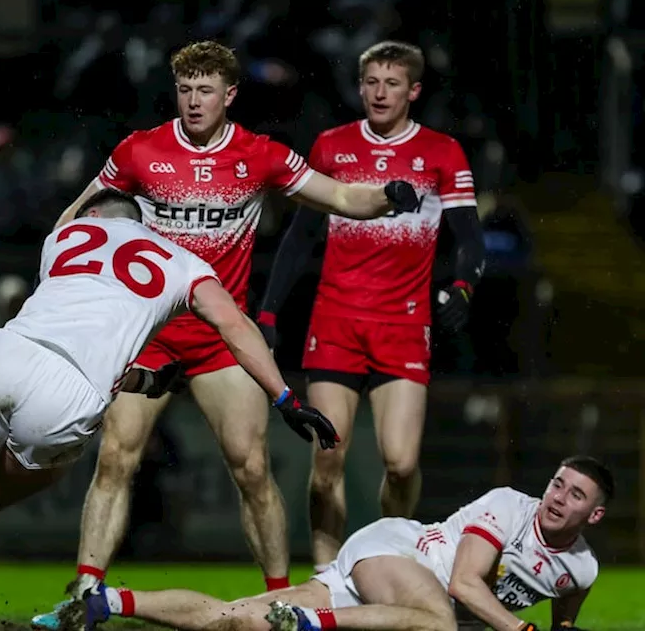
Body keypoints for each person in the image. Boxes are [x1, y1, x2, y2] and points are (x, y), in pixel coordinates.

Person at [33, 40, 420, 627]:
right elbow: (77, 217)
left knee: (252, 468)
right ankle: (83, 593)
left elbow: (337, 194)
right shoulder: (140, 152)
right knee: (115, 459)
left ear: (229, 95)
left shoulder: (258, 155)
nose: (193, 101)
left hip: (222, 340)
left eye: (206, 90)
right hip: (150, 335)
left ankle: (279, 598)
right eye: (185, 89)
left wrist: (386, 197)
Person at [0, 188, 339, 623]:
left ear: (92, 215)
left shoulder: (63, 237)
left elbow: (74, 316)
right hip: (74, 395)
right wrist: (283, 396)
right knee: (9, 486)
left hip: (11, 359)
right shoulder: (183, 263)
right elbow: (235, 327)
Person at [254, 41, 486, 570]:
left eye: (393, 83)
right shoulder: (332, 147)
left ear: (414, 91)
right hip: (335, 321)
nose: (380, 93)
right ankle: (324, 575)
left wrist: (464, 287)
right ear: (360, 87)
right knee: (327, 457)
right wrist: (268, 311)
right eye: (372, 83)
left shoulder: (443, 152)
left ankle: (389, 556)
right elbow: (300, 235)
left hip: (403, 325)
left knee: (401, 464)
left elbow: (470, 239)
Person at [71, 455, 610, 631]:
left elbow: (565, 622)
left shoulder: (581, 571)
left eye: (576, 493)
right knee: (438, 622)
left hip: (392, 600)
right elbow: (467, 584)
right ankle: (308, 624)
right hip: (397, 554)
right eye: (558, 482)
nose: (558, 496)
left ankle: (107, 602)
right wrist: (517, 627)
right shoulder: (511, 506)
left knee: (238, 619)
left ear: (595, 514)